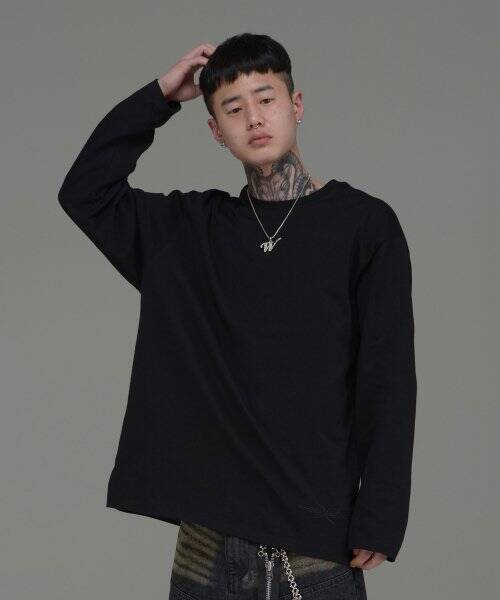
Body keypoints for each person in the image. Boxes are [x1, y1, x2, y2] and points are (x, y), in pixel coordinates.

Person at [58, 33, 416, 600]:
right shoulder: (187, 234)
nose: (254, 118)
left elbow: (388, 376)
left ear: (296, 105)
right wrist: (159, 97)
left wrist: (381, 514)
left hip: (311, 549)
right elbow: (86, 192)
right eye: (233, 108)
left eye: (266, 98)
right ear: (216, 132)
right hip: (206, 551)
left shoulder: (363, 227)